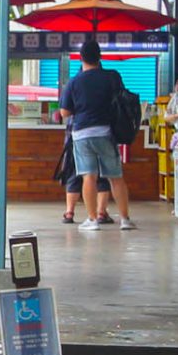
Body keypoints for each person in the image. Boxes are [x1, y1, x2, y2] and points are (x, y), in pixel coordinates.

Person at [61, 38, 136, 230]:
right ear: (100, 56)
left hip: (82, 134)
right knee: (115, 177)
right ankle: (125, 220)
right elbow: (122, 98)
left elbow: (65, 112)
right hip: (105, 132)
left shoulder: (74, 82)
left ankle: (93, 220)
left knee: (89, 177)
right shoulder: (112, 76)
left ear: (80, 58)